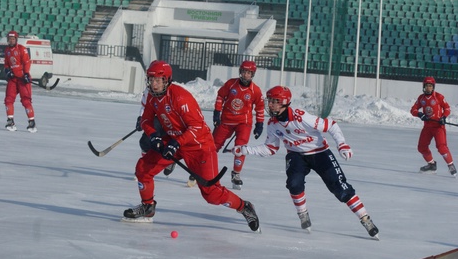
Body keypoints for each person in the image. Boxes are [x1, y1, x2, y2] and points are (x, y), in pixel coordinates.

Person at [124, 60, 260, 232]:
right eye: (151, 79)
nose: (154, 83)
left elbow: (196, 127)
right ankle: (147, 207)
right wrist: (153, 136)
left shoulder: (181, 97)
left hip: (199, 146)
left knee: (211, 194)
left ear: (167, 80)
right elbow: (145, 119)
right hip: (176, 141)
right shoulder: (152, 97)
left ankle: (244, 206)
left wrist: (175, 143)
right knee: (143, 169)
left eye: (158, 79)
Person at [237, 86, 379, 238]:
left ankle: (365, 218)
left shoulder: (301, 117)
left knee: (340, 188)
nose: (269, 105)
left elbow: (331, 125)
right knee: (294, 183)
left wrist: (342, 144)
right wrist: (246, 150)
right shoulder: (273, 124)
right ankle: (303, 214)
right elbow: (271, 148)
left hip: (319, 153)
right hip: (296, 155)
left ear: (284, 102)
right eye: (269, 101)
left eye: (274, 101)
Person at [212, 60, 265, 189]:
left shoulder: (255, 90)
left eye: (249, 73)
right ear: (240, 72)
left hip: (244, 122)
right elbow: (220, 96)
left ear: (252, 74)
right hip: (226, 121)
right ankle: (203, 169)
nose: (246, 75)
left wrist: (259, 125)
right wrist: (216, 113)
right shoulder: (231, 84)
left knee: (240, 147)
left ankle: (236, 174)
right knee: (213, 146)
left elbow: (260, 108)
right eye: (244, 72)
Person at [410, 76, 456, 177]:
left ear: (433, 87)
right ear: (424, 86)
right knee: (421, 147)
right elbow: (413, 110)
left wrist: (443, 117)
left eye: (430, 86)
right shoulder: (421, 98)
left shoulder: (439, 97)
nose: (428, 88)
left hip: (438, 127)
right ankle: (431, 164)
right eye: (427, 86)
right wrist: (420, 114)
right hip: (427, 127)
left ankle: (451, 165)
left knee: (441, 147)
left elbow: (447, 108)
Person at [3, 30, 37, 132]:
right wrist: (8, 71)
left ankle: (31, 122)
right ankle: (10, 120)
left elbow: (27, 62)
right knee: (8, 99)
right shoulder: (7, 50)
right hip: (13, 79)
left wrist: (26, 74)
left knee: (26, 100)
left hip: (22, 79)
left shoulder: (22, 49)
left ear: (16, 39)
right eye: (10, 39)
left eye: (13, 39)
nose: (11, 41)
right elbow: (6, 64)